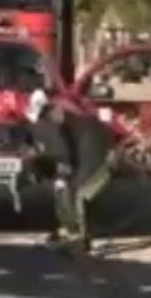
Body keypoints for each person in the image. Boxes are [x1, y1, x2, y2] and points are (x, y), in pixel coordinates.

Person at [23, 89, 117, 255]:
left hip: (96, 156)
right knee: (66, 191)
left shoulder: (48, 123)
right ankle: (71, 232)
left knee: (77, 193)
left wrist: (62, 175)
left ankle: (78, 239)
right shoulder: (53, 118)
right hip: (94, 151)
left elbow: (63, 150)